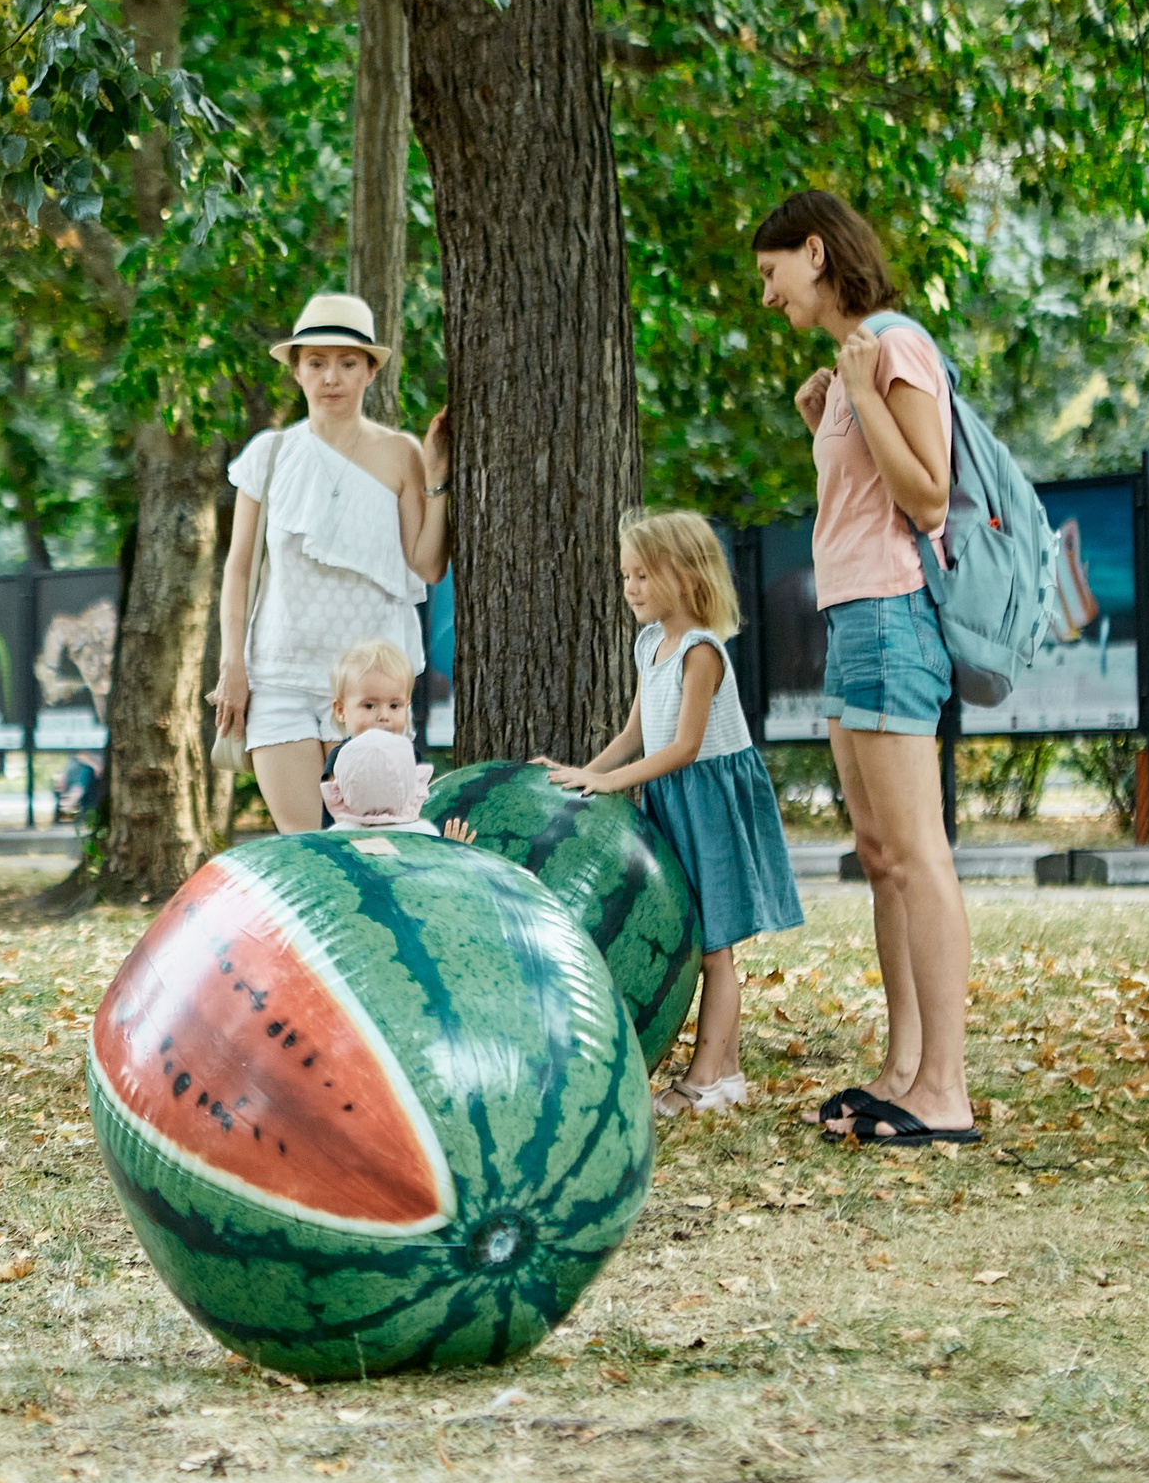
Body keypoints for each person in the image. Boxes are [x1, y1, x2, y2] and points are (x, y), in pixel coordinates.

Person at [753, 190, 976, 1146]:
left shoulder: (895, 345)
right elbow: (862, 496)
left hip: (893, 613)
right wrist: (829, 414)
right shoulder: (851, 366)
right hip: (851, 617)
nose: (768, 296)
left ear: (815, 252)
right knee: (880, 857)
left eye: (772, 274)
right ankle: (904, 1070)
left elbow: (927, 494)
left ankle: (947, 1091)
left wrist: (865, 393)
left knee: (918, 853)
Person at [537, 511, 806, 1117]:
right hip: (673, 796)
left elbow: (685, 746)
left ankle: (704, 1079)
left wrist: (610, 782)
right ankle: (727, 1074)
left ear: (685, 577)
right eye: (626, 575)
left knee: (716, 947)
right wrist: (582, 776)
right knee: (703, 938)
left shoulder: (700, 651)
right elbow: (635, 734)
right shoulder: (648, 643)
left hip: (711, 802)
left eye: (643, 575)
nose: (630, 587)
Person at [209, 294, 453, 834]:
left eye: (347, 363)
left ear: (370, 372)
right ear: (297, 371)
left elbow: (428, 565)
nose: (331, 378)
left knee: (370, 845)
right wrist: (233, 665)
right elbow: (239, 568)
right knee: (306, 848)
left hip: (373, 688)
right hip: (281, 676)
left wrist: (437, 480)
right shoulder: (269, 454)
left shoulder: (401, 454)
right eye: (316, 362)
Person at [320, 727, 477, 842]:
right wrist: (453, 851)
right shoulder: (425, 835)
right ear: (413, 790)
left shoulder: (335, 837)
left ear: (341, 794)